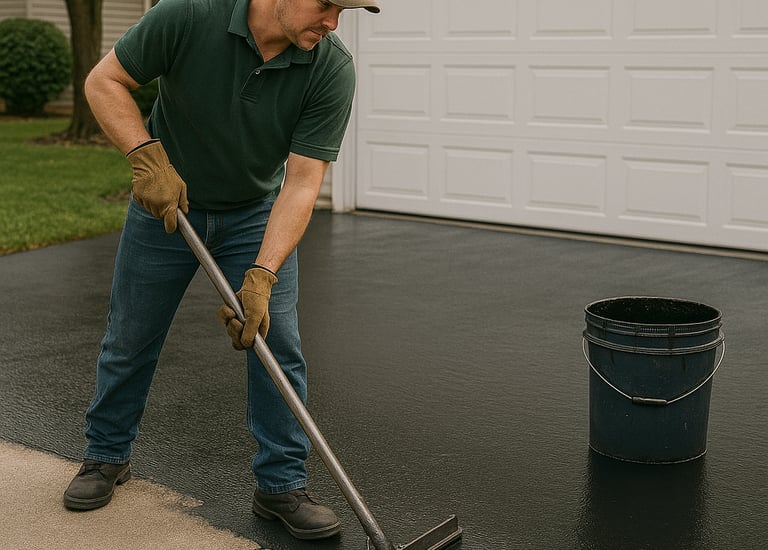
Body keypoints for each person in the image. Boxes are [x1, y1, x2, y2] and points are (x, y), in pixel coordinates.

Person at [62, 0, 380, 541]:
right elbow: (105, 79)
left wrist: (263, 272)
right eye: (326, 4)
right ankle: (106, 455)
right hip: (166, 206)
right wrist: (146, 157)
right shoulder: (188, 13)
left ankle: (281, 485)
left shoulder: (331, 66)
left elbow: (302, 183)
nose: (332, 22)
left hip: (253, 214)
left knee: (276, 343)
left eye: (342, 10)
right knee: (131, 336)